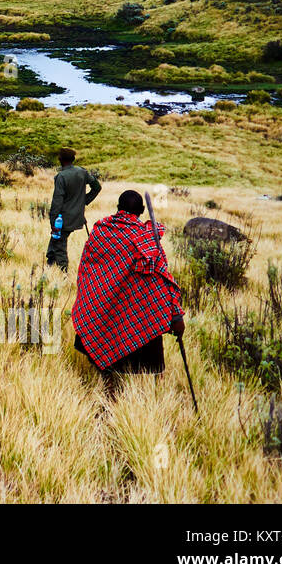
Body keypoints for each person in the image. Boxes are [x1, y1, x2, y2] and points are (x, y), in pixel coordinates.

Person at [71, 189, 185, 395]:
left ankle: (108, 379)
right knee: (141, 333)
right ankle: (140, 390)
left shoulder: (101, 232)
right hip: (139, 312)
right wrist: (175, 314)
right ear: (141, 211)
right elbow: (164, 279)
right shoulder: (147, 241)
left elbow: (88, 272)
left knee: (107, 331)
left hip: (106, 309)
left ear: (118, 208)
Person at [46, 147, 101, 271]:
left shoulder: (61, 177)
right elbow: (97, 187)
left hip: (62, 219)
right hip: (77, 216)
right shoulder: (82, 172)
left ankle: (62, 273)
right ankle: (49, 265)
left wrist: (53, 222)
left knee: (59, 244)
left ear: (60, 159)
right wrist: (84, 200)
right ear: (73, 159)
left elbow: (57, 202)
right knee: (55, 240)